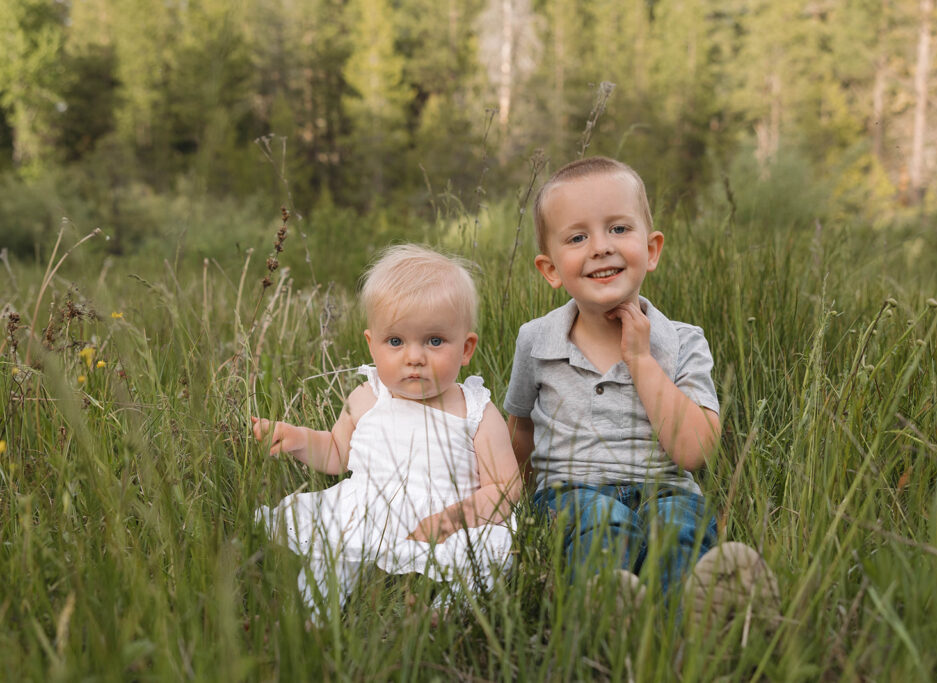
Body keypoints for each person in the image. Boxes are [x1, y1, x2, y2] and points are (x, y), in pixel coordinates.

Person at [504, 157, 778, 622]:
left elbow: (694, 453)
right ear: (551, 269)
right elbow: (520, 433)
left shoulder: (683, 340)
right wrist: (516, 506)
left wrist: (641, 360)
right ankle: (606, 611)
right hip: (573, 491)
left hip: (668, 490)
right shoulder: (536, 341)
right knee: (598, 523)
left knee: (678, 528)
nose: (600, 248)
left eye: (618, 229)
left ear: (651, 249)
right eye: (577, 237)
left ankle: (696, 619)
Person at [254, 244, 521, 620]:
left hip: (448, 516)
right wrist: (298, 439)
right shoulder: (367, 397)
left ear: (466, 348)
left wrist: (451, 521)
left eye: (434, 341)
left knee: (495, 558)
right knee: (333, 551)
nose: (414, 357)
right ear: (371, 344)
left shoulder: (475, 409)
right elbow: (335, 453)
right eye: (395, 342)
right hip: (368, 511)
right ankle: (313, 617)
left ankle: (441, 613)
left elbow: (505, 488)